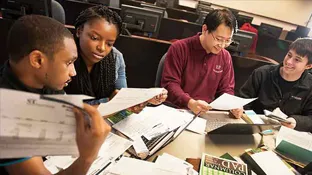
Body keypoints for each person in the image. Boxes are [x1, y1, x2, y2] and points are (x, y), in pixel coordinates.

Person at [0, 15, 111, 175]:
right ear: (37, 60)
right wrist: (87, 157)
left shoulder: (38, 81)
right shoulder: (8, 116)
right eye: (68, 63)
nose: (73, 72)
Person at [64, 5, 167, 113]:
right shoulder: (63, 56)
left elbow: (119, 93)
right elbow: (63, 109)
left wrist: (141, 98)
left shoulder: (116, 57)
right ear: (79, 31)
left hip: (104, 118)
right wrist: (111, 104)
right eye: (95, 38)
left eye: (109, 44)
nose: (102, 48)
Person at [160, 9, 242, 117]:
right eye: (218, 39)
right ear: (204, 29)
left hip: (205, 113)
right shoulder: (179, 48)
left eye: (227, 41)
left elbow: (226, 89)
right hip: (177, 111)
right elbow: (170, 84)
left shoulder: (225, 57)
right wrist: (190, 103)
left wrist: (233, 104)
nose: (222, 45)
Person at [239, 38, 312, 132]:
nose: (289, 62)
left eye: (297, 60)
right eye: (289, 55)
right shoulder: (262, 73)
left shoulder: (310, 86)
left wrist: (296, 121)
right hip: (253, 128)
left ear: (308, 66)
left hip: (287, 133)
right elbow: (243, 100)